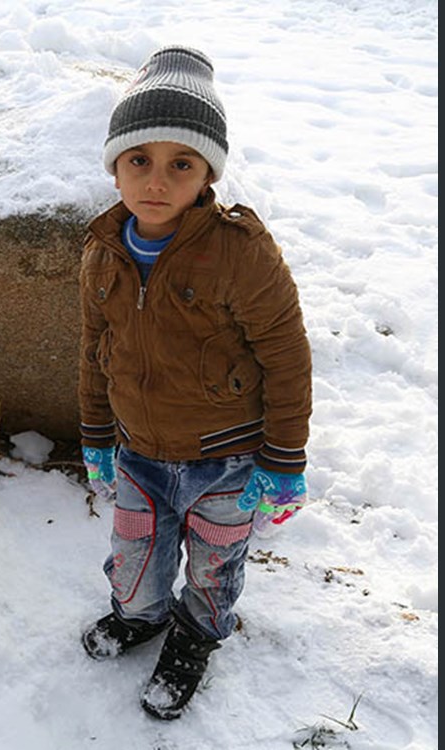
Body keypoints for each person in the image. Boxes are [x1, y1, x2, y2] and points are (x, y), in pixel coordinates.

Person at [77, 45, 312, 720]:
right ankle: (142, 617)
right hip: (140, 455)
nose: (157, 180)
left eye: (181, 162)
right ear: (115, 166)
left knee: (214, 565)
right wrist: (96, 437)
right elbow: (95, 349)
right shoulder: (102, 250)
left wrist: (284, 459)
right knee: (134, 555)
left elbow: (287, 358)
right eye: (138, 160)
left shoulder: (241, 253)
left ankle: (195, 635)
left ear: (208, 169)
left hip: (228, 462)